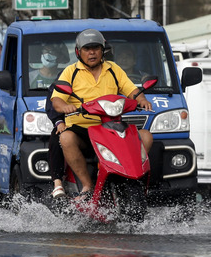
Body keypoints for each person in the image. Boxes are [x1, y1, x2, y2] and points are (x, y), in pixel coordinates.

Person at [48, 29, 153, 201]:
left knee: (146, 137)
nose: (92, 53)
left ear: (102, 50)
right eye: (87, 49)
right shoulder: (70, 72)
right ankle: (87, 185)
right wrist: (65, 107)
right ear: (78, 52)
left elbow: (132, 90)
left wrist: (142, 99)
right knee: (66, 138)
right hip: (83, 129)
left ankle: (134, 179)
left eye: (96, 48)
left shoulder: (114, 69)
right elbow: (57, 100)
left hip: (111, 128)